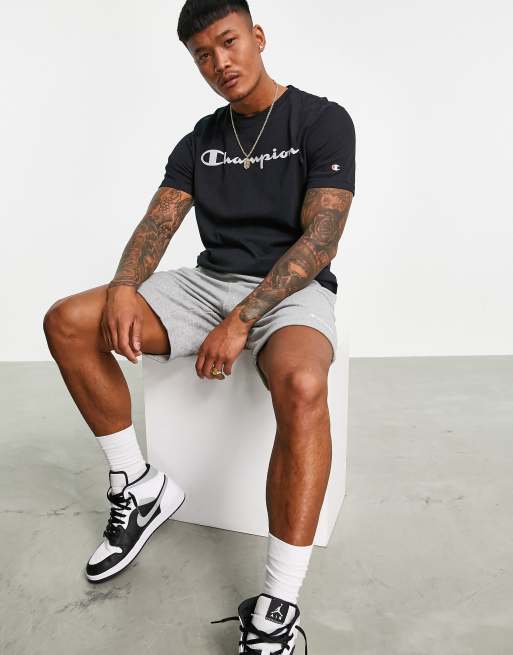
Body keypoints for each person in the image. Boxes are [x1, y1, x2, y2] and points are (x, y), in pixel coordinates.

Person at [43, 0, 355, 652]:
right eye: (203, 55)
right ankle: (138, 485)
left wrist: (243, 319)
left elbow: (321, 240)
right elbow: (159, 221)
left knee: (302, 384)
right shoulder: (201, 139)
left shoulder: (320, 120)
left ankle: (277, 606)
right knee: (69, 321)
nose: (220, 62)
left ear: (257, 37)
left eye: (229, 42)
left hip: (290, 290)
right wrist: (124, 286)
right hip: (206, 284)